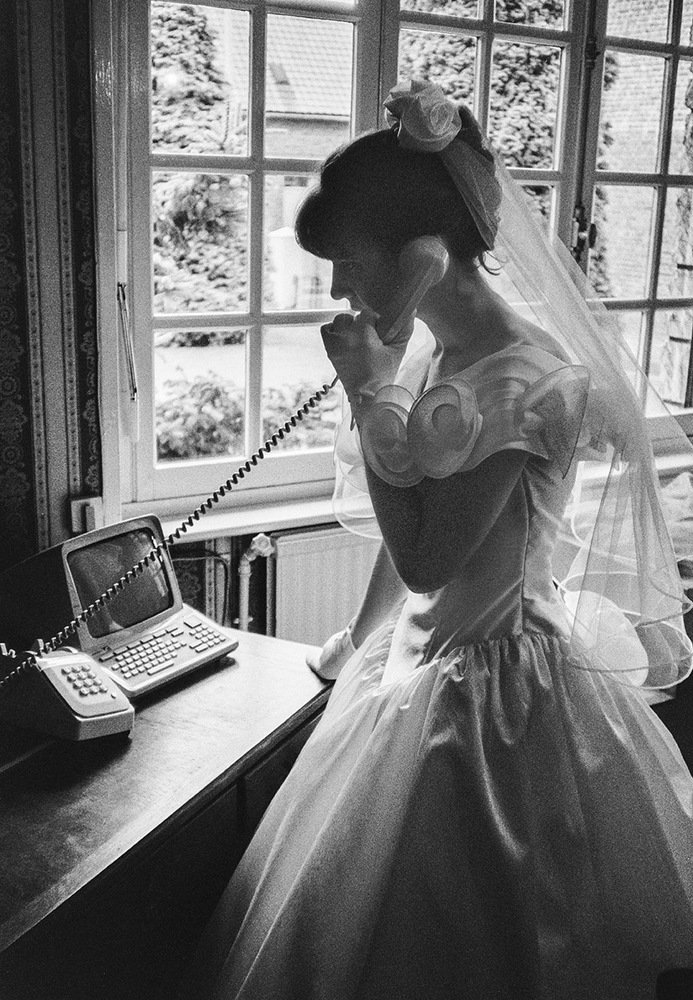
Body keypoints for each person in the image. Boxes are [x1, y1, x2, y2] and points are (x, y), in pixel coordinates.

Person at [180, 80, 693, 999]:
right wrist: (353, 640)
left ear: (422, 255)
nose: (337, 288)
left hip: (494, 688)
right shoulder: (442, 353)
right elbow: (402, 540)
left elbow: (429, 555)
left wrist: (368, 394)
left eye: (348, 261)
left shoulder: (524, 381)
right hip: (418, 660)